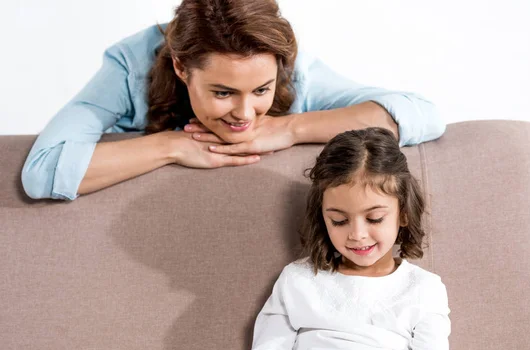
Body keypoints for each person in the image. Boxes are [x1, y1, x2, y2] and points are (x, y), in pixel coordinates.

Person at [21, 0, 445, 201]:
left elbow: (422, 114)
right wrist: (173, 145)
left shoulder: (298, 73)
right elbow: (43, 172)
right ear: (182, 68)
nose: (244, 114)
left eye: (261, 90)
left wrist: (289, 127)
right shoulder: (129, 65)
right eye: (223, 93)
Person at [245, 127, 450, 350]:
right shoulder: (298, 279)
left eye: (375, 218)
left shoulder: (424, 288)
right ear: (323, 218)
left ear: (403, 213)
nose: (357, 234)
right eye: (339, 221)